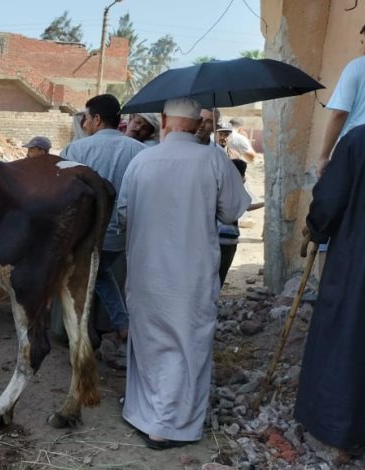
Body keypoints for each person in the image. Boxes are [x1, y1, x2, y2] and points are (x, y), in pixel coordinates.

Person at [118, 97, 250, 449]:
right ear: (197, 124)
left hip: (146, 271)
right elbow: (233, 211)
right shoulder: (213, 159)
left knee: (148, 341)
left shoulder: (141, 160)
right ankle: (166, 426)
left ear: (164, 120)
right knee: (185, 344)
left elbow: (124, 214)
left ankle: (143, 413)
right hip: (189, 274)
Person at [294, 124, 365, 458]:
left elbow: (330, 200)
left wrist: (317, 225)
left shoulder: (359, 140)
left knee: (348, 338)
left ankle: (339, 427)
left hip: (358, 260)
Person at [61, 94, 145, 342]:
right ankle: (120, 324)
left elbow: (63, 195)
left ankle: (82, 336)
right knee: (100, 275)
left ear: (97, 119)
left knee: (80, 282)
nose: (84, 125)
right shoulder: (140, 152)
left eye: (86, 119)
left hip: (86, 237)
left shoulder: (75, 150)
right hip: (121, 237)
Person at [316, 20, 365, 178]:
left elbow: (339, 113)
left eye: (362, 41)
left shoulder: (357, 66)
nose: (360, 48)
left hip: (358, 145)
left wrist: (324, 156)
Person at [218, 158, 265, 286]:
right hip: (229, 239)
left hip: (212, 237)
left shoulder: (218, 184)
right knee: (221, 273)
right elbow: (246, 206)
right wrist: (265, 203)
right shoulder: (235, 188)